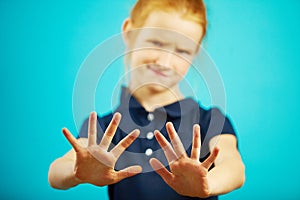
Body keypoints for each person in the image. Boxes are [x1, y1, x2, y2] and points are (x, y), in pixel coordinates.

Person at [48, 0, 245, 199]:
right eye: (156, 43)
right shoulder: (105, 128)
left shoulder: (208, 120)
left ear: (195, 52)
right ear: (128, 31)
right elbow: (56, 173)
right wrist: (77, 172)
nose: (165, 62)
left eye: (182, 51)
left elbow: (234, 168)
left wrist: (208, 183)